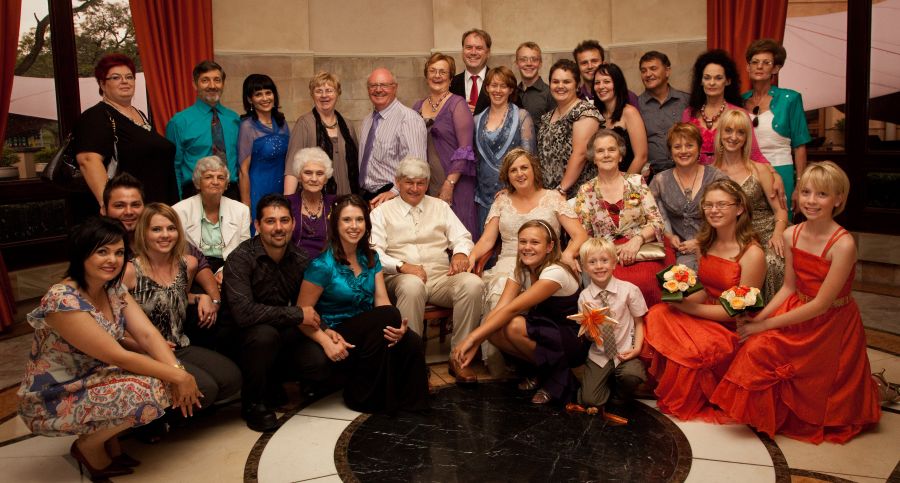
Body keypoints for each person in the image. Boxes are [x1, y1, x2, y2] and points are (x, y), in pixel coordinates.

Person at [17, 217, 201, 480]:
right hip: (58, 391)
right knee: (155, 389)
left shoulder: (112, 287)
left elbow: (148, 334)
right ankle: (88, 445)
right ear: (82, 253)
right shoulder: (63, 300)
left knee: (166, 377)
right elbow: (118, 355)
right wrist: (179, 376)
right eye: (102, 252)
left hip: (99, 375)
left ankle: (108, 441)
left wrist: (176, 369)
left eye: (119, 252)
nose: (112, 260)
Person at [711, 162, 882, 443]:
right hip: (796, 309)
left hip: (831, 323)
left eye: (822, 194)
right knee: (757, 349)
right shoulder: (792, 234)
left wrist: (764, 325)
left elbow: (821, 305)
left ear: (838, 199)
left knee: (808, 375)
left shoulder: (843, 244)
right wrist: (758, 318)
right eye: (806, 192)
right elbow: (789, 287)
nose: (811, 201)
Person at [643, 178, 766, 422]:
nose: (714, 210)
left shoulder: (752, 254)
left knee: (694, 344)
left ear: (739, 208)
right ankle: (656, 382)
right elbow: (706, 289)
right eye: (708, 205)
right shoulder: (706, 243)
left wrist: (688, 307)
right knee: (658, 313)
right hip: (706, 309)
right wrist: (680, 291)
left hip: (732, 325)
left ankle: (691, 392)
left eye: (721, 205)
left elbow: (735, 311)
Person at [298, 194, 429, 413]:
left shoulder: (371, 257)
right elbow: (301, 315)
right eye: (347, 220)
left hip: (369, 330)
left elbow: (382, 301)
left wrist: (398, 329)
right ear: (336, 224)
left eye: (359, 219)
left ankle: (410, 404)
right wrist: (325, 339)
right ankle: (361, 396)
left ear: (366, 224)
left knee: (411, 340)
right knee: (389, 317)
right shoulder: (321, 265)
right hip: (338, 332)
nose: (354, 226)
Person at [221, 194, 331, 431]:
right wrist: (296, 314)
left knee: (317, 361)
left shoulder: (300, 258)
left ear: (293, 223)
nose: (278, 228)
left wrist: (326, 332)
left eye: (284, 220)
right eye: (270, 221)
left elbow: (309, 308)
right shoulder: (240, 259)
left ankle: (275, 382)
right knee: (264, 335)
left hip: (279, 334)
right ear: (257, 225)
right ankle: (253, 403)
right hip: (240, 339)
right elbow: (244, 314)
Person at [370, 157, 484, 384]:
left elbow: (462, 237)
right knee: (412, 286)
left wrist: (460, 253)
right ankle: (413, 365)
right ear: (398, 182)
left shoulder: (440, 207)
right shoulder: (381, 212)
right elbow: (373, 253)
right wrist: (402, 266)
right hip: (400, 278)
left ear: (427, 183)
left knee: (473, 284)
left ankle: (459, 357)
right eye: (409, 182)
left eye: (420, 183)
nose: (415, 188)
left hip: (440, 277)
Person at [124, 203, 242, 416]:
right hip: (146, 352)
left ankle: (181, 407)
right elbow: (112, 321)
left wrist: (202, 297)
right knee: (207, 388)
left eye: (171, 228)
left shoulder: (187, 264)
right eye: (156, 229)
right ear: (143, 233)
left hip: (180, 344)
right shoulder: (130, 271)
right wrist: (137, 345)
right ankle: (158, 421)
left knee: (231, 379)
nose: (165, 235)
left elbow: (172, 296)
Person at [453, 220, 586, 405]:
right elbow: (499, 309)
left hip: (570, 338)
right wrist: (478, 341)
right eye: (523, 242)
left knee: (513, 324)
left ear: (549, 247)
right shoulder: (521, 269)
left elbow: (512, 309)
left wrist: (472, 338)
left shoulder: (555, 272)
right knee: (494, 329)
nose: (527, 247)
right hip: (543, 331)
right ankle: (540, 372)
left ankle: (557, 379)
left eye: (535, 242)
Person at [469, 148, 586, 313]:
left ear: (534, 170)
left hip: (546, 263)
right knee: (500, 290)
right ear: (507, 176)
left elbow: (580, 235)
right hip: (508, 265)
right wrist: (472, 256)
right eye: (513, 170)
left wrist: (568, 253)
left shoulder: (553, 198)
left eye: (524, 168)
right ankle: (498, 327)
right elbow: (487, 240)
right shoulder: (501, 201)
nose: (519, 174)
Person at [575, 129, 672, 306]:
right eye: (600, 151)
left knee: (647, 280)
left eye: (611, 149)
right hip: (607, 256)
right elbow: (585, 236)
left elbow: (657, 222)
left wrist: (637, 240)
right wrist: (610, 252)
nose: (606, 155)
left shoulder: (636, 182)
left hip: (643, 248)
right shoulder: (585, 191)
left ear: (620, 156)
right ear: (594, 158)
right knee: (617, 287)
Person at [75, 54, 178, 206]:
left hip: (157, 206)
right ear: (102, 84)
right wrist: (109, 204)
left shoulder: (140, 114)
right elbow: (88, 160)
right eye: (116, 77)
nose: (125, 81)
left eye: (129, 77)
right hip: (129, 210)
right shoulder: (97, 116)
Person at [714, 110, 788, 301]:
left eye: (740, 132)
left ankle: (771, 315)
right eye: (728, 130)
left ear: (747, 138)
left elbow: (780, 210)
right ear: (720, 133)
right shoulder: (712, 173)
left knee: (771, 262)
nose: (733, 137)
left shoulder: (759, 169)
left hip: (765, 234)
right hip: (732, 237)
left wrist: (778, 234)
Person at [743, 39, 812, 218]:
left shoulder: (791, 99)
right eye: (755, 62)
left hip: (781, 170)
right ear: (748, 67)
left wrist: (800, 185)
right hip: (748, 173)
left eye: (766, 63)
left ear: (775, 68)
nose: (759, 66)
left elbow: (800, 146)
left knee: (781, 223)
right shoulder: (739, 101)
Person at [576, 238, 647, 408]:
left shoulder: (629, 290)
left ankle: (619, 394)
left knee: (632, 376)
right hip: (599, 355)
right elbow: (587, 333)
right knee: (590, 401)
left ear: (614, 263)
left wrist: (637, 349)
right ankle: (603, 383)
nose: (599, 266)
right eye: (592, 262)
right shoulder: (584, 297)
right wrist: (590, 332)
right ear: (585, 267)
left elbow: (639, 322)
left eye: (604, 260)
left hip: (624, 352)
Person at [413, 53, 478, 236]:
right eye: (432, 71)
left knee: (457, 234)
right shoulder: (416, 106)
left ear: (450, 78)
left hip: (455, 182)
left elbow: (465, 149)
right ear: (426, 75)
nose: (437, 75)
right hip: (426, 185)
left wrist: (449, 183)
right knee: (432, 235)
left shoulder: (457, 104)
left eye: (442, 72)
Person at [650, 122, 728, 270]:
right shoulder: (660, 181)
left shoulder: (716, 178)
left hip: (715, 246)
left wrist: (701, 242)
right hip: (677, 252)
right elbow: (649, 217)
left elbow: (730, 218)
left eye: (689, 145)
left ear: (699, 148)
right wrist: (668, 237)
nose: (683, 151)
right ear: (670, 151)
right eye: (677, 147)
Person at [167, 60, 241, 200]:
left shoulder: (234, 119)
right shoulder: (179, 122)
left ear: (223, 84)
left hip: (231, 192)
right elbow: (173, 167)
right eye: (205, 80)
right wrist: (178, 202)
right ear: (195, 84)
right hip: (194, 193)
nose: (212, 86)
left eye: (217, 80)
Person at [474, 67, 535, 229]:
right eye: (494, 85)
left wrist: (512, 189)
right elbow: (475, 160)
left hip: (515, 195)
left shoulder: (522, 116)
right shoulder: (476, 120)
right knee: (486, 242)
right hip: (483, 198)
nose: (498, 90)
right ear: (487, 88)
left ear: (511, 90)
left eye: (503, 86)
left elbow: (529, 159)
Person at [357, 68, 427, 207]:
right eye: (373, 85)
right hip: (366, 196)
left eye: (384, 85)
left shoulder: (409, 119)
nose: (378, 90)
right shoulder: (367, 121)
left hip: (394, 197)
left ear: (395, 88)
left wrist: (394, 191)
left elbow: (417, 166)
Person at [173, 155, 252, 277]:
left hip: (230, 266)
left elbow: (244, 250)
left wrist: (224, 271)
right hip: (193, 269)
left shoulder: (241, 210)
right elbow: (177, 252)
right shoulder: (179, 210)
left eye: (220, 177)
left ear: (226, 185)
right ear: (198, 183)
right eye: (208, 177)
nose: (215, 182)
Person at [284, 72, 359, 197]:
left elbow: (357, 164)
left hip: (348, 196)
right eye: (319, 91)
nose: (324, 95)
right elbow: (292, 167)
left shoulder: (348, 125)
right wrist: (288, 201)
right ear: (312, 95)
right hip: (315, 197)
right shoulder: (304, 124)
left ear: (337, 93)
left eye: (329, 90)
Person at [537, 59, 602, 196]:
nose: (560, 86)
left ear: (577, 85)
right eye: (555, 82)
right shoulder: (546, 117)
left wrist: (561, 190)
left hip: (578, 194)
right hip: (551, 194)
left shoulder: (585, 112)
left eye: (566, 82)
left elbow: (580, 154)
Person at [238, 74, 291, 224]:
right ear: (250, 99)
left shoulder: (282, 123)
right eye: (258, 94)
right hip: (258, 190)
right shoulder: (247, 126)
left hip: (282, 189)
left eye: (268, 92)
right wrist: (246, 206)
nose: (265, 98)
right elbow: (243, 171)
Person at [638, 51, 690, 179]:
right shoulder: (636, 105)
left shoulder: (686, 101)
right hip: (651, 176)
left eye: (653, 69)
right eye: (643, 71)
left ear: (667, 71)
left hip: (686, 170)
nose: (648, 74)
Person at [592, 63, 649, 174]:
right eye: (597, 83)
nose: (601, 86)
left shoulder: (630, 112)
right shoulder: (595, 115)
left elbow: (641, 157)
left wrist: (623, 183)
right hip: (603, 179)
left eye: (606, 81)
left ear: (617, 84)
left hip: (628, 179)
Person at [285, 147, 337, 258]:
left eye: (319, 173)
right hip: (293, 263)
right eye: (308, 173)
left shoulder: (336, 204)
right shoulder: (286, 203)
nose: (314, 179)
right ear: (299, 176)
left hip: (328, 264)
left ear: (326, 179)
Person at [572, 40, 639, 105]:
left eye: (594, 61)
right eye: (584, 63)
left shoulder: (627, 97)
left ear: (603, 64)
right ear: (577, 67)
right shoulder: (574, 98)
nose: (590, 66)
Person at [449, 28, 492, 114]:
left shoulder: (501, 82)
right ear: (462, 51)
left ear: (488, 53)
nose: (473, 52)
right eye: (468, 47)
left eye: (479, 48)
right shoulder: (451, 83)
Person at [515, 41, 555, 121]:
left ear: (540, 64)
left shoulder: (550, 94)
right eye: (523, 59)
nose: (529, 63)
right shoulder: (512, 93)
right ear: (517, 64)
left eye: (534, 59)